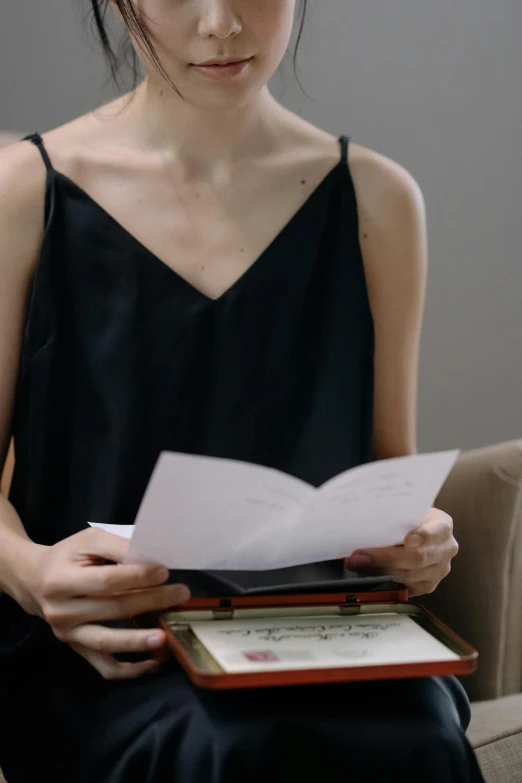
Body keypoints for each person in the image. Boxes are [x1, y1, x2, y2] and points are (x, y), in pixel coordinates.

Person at [0, 1, 485, 781]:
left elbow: (387, 467)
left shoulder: (377, 198)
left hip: (320, 631)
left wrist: (420, 535)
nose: (221, 23)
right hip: (109, 642)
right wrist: (29, 572)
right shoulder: (24, 190)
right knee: (226, 747)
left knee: (417, 739)